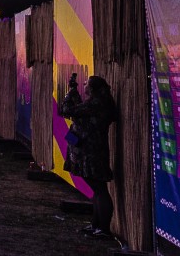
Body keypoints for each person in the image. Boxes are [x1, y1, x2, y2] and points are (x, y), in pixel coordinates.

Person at [61, 74, 118, 240]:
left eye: (86, 84)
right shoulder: (98, 103)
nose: (83, 85)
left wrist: (71, 92)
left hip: (91, 152)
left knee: (100, 190)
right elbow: (80, 110)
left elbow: (66, 110)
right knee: (97, 190)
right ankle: (96, 225)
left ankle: (103, 229)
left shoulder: (96, 104)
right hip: (91, 150)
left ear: (92, 89)